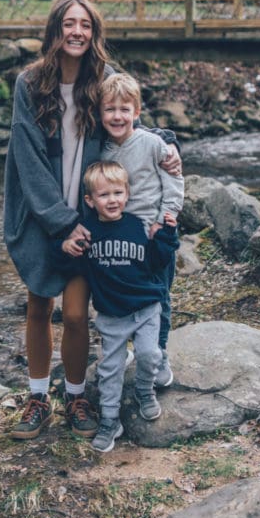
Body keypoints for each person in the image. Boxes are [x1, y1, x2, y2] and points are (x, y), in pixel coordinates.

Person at [3, 0, 180, 441]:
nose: (76, 31)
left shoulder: (104, 79)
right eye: (68, 23)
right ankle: (39, 397)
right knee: (39, 305)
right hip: (44, 215)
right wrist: (60, 223)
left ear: (94, 32)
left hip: (90, 217)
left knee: (79, 314)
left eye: (85, 24)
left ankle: (77, 396)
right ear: (55, 30)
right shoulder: (30, 84)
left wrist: (166, 140)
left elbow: (128, 120)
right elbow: (26, 157)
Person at [58, 160, 179, 454]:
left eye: (117, 193)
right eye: (103, 195)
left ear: (127, 193)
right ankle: (111, 421)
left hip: (146, 307)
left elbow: (155, 262)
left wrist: (166, 236)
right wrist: (64, 248)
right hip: (111, 314)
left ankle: (143, 390)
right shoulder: (86, 232)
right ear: (90, 200)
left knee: (150, 354)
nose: (112, 200)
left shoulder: (138, 225)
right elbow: (71, 266)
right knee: (109, 370)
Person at [99, 72, 184, 388]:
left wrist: (167, 217)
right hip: (119, 240)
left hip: (154, 237)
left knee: (158, 296)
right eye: (110, 109)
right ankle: (126, 348)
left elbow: (174, 180)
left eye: (125, 109)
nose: (117, 116)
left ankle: (159, 354)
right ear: (100, 113)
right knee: (120, 294)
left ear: (136, 112)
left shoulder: (152, 144)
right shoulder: (102, 151)